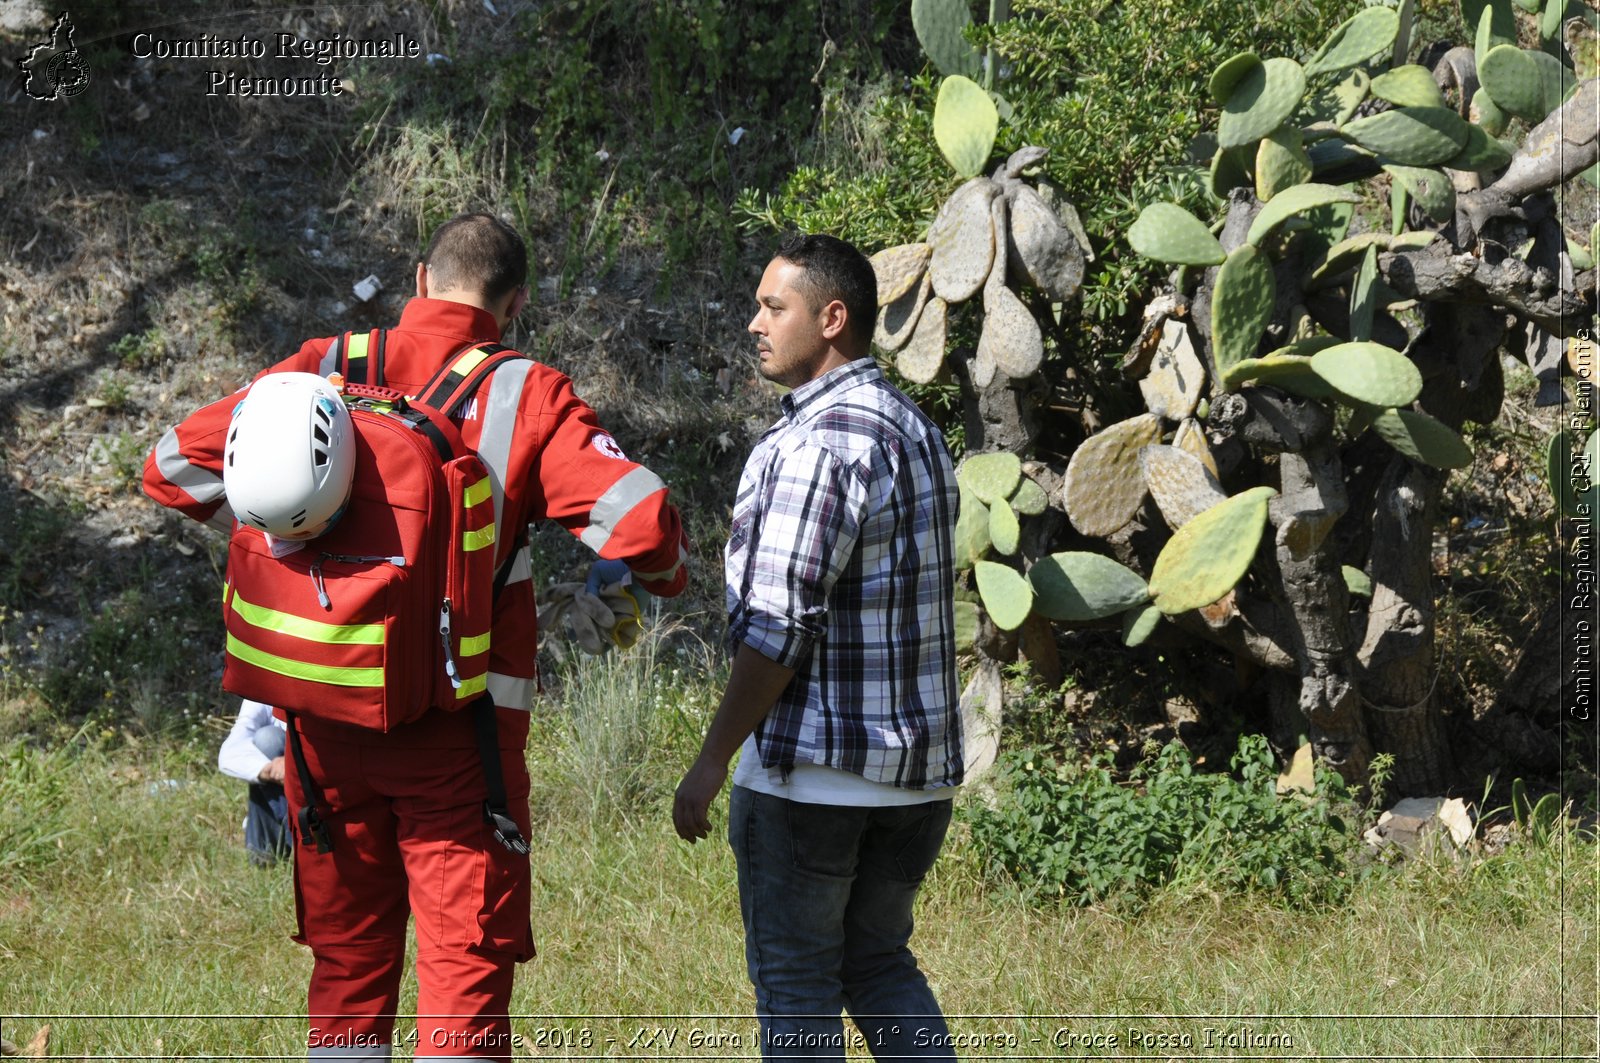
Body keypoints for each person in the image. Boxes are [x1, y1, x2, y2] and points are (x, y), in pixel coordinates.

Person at [144, 212, 689, 1062]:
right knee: (460, 990)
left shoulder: (324, 366)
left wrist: (278, 534)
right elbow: (646, 528)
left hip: (320, 734)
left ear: (419, 276)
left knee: (348, 983)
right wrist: (663, 580)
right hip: (456, 744)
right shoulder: (527, 392)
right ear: (515, 304)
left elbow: (171, 466)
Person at [672, 234, 963, 1060]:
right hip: (914, 783)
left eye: (774, 307)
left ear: (832, 318)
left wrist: (711, 759)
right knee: (877, 963)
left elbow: (778, 631)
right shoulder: (917, 430)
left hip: (813, 784)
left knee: (798, 992)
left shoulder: (815, 445)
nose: (754, 323)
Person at [217, 698, 292, 865]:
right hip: (288, 786)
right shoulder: (267, 689)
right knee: (267, 739)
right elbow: (229, 753)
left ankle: (305, 845)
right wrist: (269, 770)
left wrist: (294, 766)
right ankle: (267, 854)